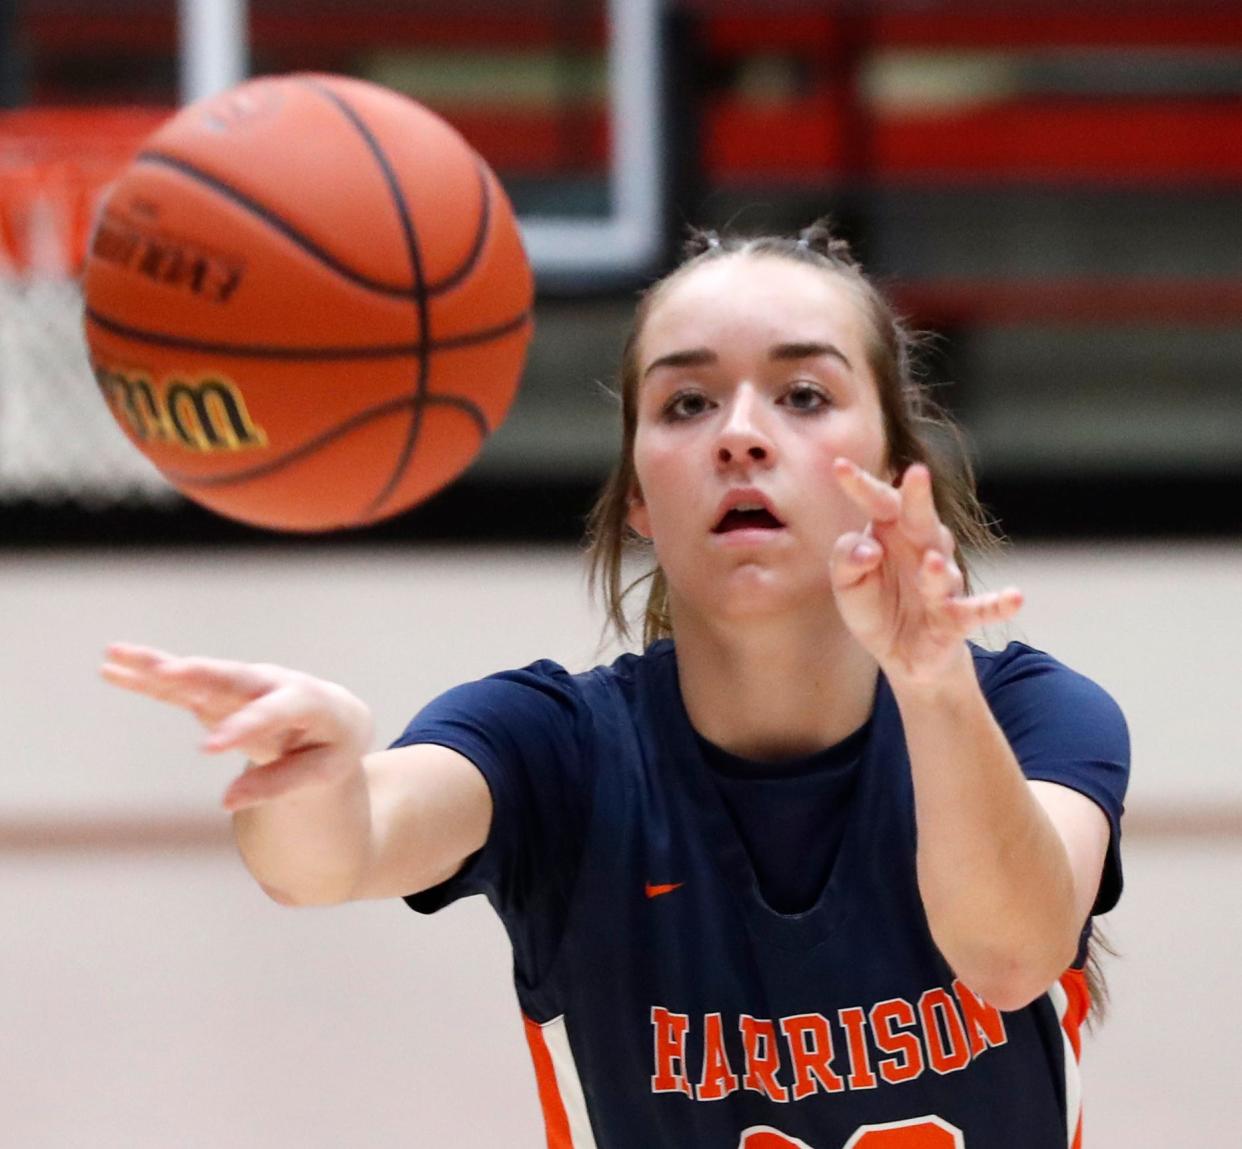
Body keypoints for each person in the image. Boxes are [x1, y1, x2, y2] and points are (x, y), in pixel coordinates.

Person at [102, 221, 1129, 1149]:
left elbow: (1008, 955)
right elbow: (333, 853)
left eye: (804, 394)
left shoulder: (1035, 716)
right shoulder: (551, 745)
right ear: (639, 494)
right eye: (686, 402)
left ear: (897, 464)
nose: (739, 433)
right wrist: (308, 778)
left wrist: (934, 682)